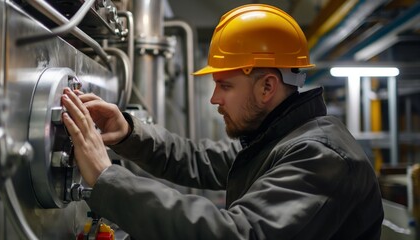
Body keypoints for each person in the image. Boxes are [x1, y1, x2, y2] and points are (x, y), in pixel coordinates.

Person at [61, 4, 384, 239]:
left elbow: (239, 235)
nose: (214, 99)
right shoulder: (279, 141)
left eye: (225, 86)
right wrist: (129, 133)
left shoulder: (321, 157)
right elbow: (197, 160)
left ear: (267, 87)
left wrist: (107, 178)